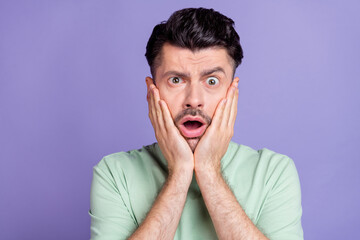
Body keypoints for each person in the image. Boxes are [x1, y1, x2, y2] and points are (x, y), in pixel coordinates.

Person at [89, 7, 303, 240]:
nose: (194, 100)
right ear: (152, 92)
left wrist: (208, 170)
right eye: (176, 80)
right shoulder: (114, 173)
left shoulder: (273, 173)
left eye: (212, 81)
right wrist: (180, 172)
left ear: (233, 92)